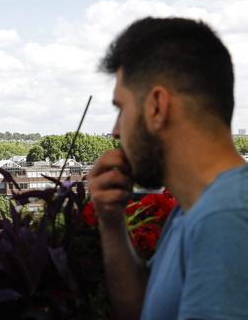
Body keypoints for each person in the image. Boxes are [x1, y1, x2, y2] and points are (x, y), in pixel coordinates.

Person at [88, 17, 248, 320]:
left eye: (121, 109)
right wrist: (111, 222)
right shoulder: (194, 209)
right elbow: (147, 310)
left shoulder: (224, 219)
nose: (115, 131)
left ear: (157, 107)